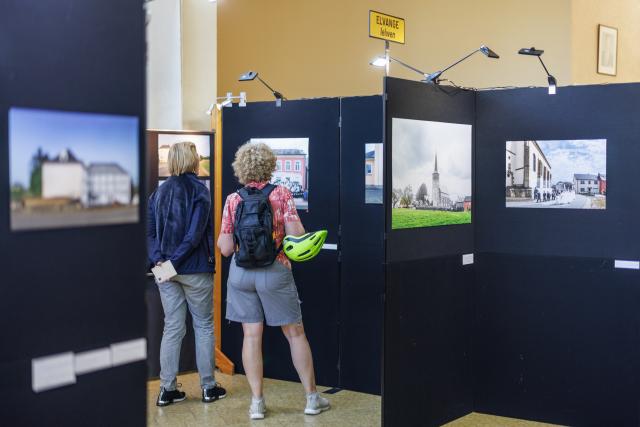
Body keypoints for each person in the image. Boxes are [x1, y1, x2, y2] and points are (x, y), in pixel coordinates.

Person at [217, 142, 330, 420]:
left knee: (251, 336)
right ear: (269, 165)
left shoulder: (233, 199)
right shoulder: (281, 194)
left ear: (240, 167)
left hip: (241, 274)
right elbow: (297, 233)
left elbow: (225, 248)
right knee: (295, 334)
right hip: (275, 270)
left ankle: (257, 403)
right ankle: (312, 399)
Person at [148, 141, 226, 407]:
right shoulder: (200, 191)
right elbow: (194, 236)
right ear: (193, 159)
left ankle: (167, 390)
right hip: (194, 270)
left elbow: (150, 234)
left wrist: (159, 261)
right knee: (203, 326)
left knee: (173, 327)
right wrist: (171, 263)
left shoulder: (158, 193)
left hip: (165, 272)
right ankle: (208, 387)